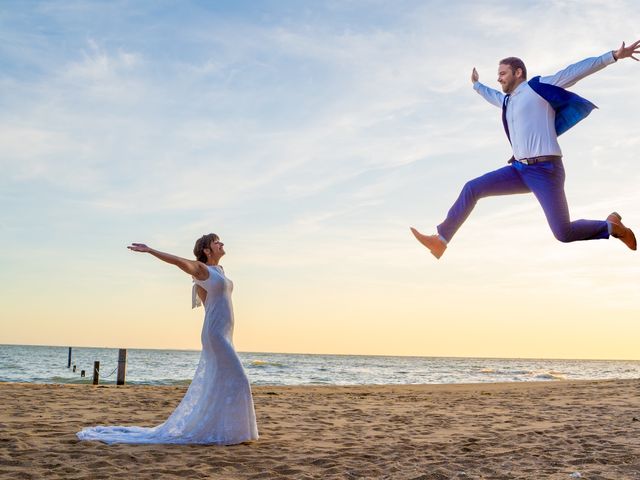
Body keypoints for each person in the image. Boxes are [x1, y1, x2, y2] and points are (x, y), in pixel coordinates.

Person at [410, 40, 639, 259]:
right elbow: (493, 96)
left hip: (546, 170)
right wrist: (477, 85)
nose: (499, 79)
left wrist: (613, 56)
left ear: (518, 72)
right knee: (472, 188)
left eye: (502, 73)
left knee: (563, 233)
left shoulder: (538, 88)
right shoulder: (508, 102)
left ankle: (612, 227)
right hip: (519, 170)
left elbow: (574, 71)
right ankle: (441, 240)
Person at [76, 233, 259, 445]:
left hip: (225, 332)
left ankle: (228, 432)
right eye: (216, 242)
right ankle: (233, 432)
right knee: (239, 379)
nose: (222, 244)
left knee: (222, 381)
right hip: (216, 334)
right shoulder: (202, 269)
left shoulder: (220, 271)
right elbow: (178, 262)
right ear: (207, 251)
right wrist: (151, 250)